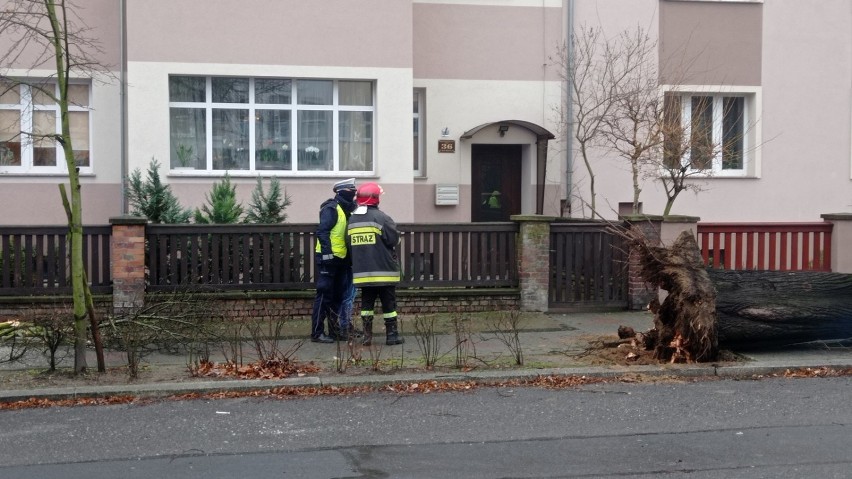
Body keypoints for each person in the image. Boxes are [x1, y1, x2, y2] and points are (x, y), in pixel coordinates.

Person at [347, 182, 404, 346]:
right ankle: (392, 336)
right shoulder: (382, 218)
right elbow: (394, 239)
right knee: (389, 305)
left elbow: (348, 244)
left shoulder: (352, 220)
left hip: (363, 273)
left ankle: (367, 336)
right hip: (384, 272)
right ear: (375, 199)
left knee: (366, 305)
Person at [310, 178, 357, 343]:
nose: (354, 195)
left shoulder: (344, 210)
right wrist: (327, 254)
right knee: (324, 296)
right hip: (328, 260)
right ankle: (317, 333)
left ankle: (334, 331)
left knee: (337, 296)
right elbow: (322, 232)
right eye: (351, 192)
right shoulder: (331, 208)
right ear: (341, 192)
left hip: (341, 261)